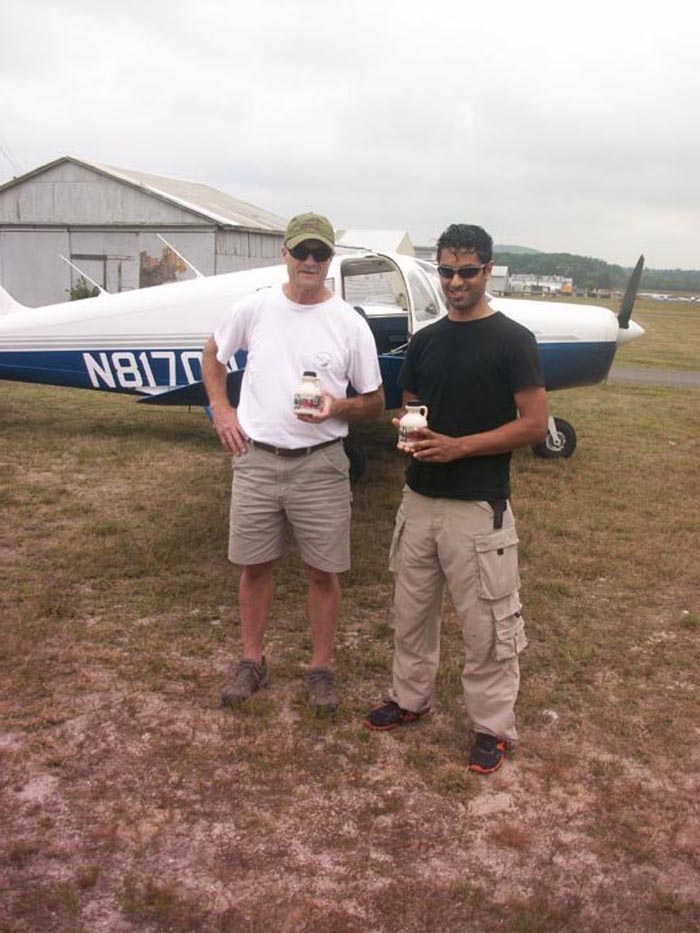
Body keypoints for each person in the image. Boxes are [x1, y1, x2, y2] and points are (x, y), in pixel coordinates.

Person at [364, 223, 548, 773]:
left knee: (488, 625)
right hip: (418, 500)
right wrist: (410, 428)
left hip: (478, 506)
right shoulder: (426, 340)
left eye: (467, 271)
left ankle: (492, 726)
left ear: (488, 270)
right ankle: (409, 699)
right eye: (446, 271)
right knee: (411, 613)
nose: (456, 281)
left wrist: (461, 447)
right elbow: (413, 407)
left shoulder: (513, 340)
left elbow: (536, 425)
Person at [202, 212, 384, 714]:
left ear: (330, 260)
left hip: (322, 463)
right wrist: (222, 409)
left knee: (323, 573)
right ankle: (251, 661)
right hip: (256, 459)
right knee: (255, 567)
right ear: (284, 253)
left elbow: (374, 401)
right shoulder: (256, 308)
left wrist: (338, 407)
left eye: (320, 254)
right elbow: (213, 351)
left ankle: (321, 669)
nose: (310, 261)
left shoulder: (349, 323)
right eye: (301, 251)